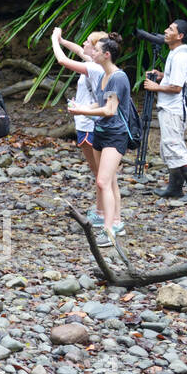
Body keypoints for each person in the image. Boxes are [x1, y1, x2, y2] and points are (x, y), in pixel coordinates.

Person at [65, 32, 131, 247]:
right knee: (107, 181)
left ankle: (109, 229)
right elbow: (99, 103)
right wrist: (81, 108)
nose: (91, 52)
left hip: (115, 134)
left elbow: (110, 110)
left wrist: (84, 113)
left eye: (96, 50)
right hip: (100, 132)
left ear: (106, 55)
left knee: (103, 181)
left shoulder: (118, 77)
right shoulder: (103, 75)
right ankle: (115, 223)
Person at [51, 27, 109, 225]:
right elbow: (77, 51)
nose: (83, 44)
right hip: (87, 121)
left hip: (89, 123)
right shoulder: (94, 63)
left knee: (99, 172)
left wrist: (53, 40)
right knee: (100, 172)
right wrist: (62, 40)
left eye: (88, 42)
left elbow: (62, 61)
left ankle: (103, 213)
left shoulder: (94, 68)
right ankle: (103, 211)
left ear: (96, 49)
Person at [146, 19, 187, 202]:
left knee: (175, 147)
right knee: (168, 147)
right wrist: (162, 76)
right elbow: (175, 79)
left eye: (170, 29)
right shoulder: (175, 53)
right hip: (169, 108)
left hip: (174, 109)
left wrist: (155, 87)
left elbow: (176, 87)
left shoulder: (180, 57)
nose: (165, 31)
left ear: (180, 36)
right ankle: (175, 187)